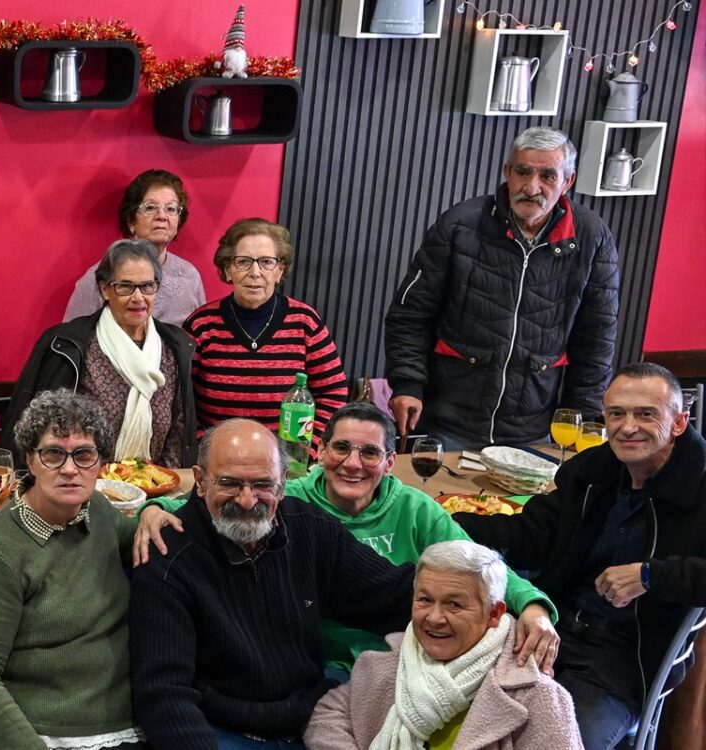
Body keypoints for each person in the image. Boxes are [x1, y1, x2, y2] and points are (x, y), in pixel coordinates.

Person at [133, 402, 559, 674]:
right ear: (320, 452)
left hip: (409, 654)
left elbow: (480, 567)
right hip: (320, 664)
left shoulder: (416, 509)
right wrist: (152, 508)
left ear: (391, 462)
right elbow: (219, 504)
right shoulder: (291, 504)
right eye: (341, 449)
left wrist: (533, 606)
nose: (352, 464)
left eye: (370, 453)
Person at [450, 363, 706, 749]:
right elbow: (531, 535)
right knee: (449, 714)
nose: (627, 426)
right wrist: (440, 523)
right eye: (616, 413)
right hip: (552, 630)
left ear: (679, 422)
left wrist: (652, 575)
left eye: (646, 414)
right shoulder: (593, 471)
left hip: (626, 661)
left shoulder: (699, 485)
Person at [130, 419, 416, 750]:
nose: (248, 501)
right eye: (230, 483)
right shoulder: (169, 558)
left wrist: (475, 603)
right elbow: (164, 694)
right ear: (199, 481)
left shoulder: (309, 529)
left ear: (283, 485)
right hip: (220, 726)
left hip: (314, 713)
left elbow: (393, 595)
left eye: (264, 485)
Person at [385, 126, 620, 450]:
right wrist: (407, 384)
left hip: (534, 429)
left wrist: (581, 417)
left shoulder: (592, 237)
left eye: (548, 176)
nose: (532, 186)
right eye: (523, 172)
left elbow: (597, 339)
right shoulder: (459, 225)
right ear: (507, 171)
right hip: (447, 420)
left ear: (567, 182)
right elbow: (409, 315)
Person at [0, 389, 147, 750]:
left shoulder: (98, 510)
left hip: (120, 720)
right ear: (31, 460)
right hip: (39, 730)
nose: (70, 469)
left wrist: (154, 510)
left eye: (84, 454)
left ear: (101, 463)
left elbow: (144, 548)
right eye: (54, 453)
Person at [306, 540, 581, 749]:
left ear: (495, 613)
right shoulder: (389, 663)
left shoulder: (538, 696)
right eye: (425, 600)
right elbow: (329, 713)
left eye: (454, 604)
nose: (435, 618)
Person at [4, 240, 198, 470]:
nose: (138, 297)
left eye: (147, 286)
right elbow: (38, 430)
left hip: (154, 485)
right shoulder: (69, 345)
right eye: (125, 286)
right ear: (105, 288)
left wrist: (162, 487)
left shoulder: (174, 348)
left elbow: (178, 434)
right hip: (78, 486)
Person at [184, 218, 346, 436]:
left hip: (286, 462)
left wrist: (309, 449)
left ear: (280, 270)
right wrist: (203, 446)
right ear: (228, 269)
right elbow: (181, 401)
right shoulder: (201, 325)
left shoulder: (305, 322)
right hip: (216, 458)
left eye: (266, 262)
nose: (255, 272)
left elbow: (333, 394)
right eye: (243, 262)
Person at [61, 169, 208, 325]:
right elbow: (71, 341)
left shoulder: (190, 276)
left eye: (171, 209)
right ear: (131, 221)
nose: (162, 216)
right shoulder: (101, 277)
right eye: (150, 208)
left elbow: (202, 337)